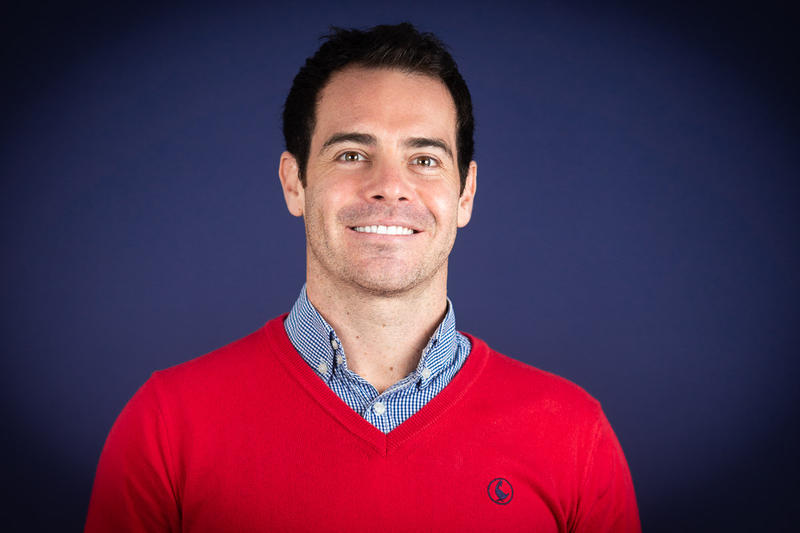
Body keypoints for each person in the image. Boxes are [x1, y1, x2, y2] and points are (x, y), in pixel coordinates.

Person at [86, 23, 641, 532]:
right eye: (352, 154)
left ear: (465, 194)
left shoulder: (574, 435)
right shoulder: (166, 426)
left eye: (425, 160)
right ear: (295, 183)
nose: (390, 186)